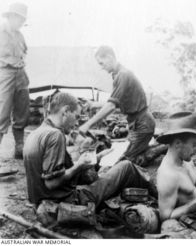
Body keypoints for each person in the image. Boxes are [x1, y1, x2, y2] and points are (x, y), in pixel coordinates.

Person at [24, 92, 153, 208]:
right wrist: (79, 166)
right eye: (76, 116)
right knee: (126, 167)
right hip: (67, 202)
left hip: (44, 202)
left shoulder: (35, 133)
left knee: (109, 171)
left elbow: (50, 175)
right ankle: (159, 192)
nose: (76, 123)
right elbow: (51, 183)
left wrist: (96, 158)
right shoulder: (55, 135)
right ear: (66, 111)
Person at [79, 46, 155, 163]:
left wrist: (87, 125)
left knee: (124, 161)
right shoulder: (119, 74)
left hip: (142, 125)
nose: (101, 67)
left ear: (109, 57)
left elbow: (111, 106)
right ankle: (153, 149)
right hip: (138, 124)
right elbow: (117, 102)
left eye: (101, 63)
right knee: (133, 153)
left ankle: (161, 148)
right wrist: (94, 104)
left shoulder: (123, 75)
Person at [0, 2, 29, 159]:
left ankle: (19, 147)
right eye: (20, 19)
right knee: (2, 113)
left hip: (21, 75)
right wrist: (10, 61)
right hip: (4, 74)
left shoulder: (20, 35)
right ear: (12, 17)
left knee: (22, 110)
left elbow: (24, 51)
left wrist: (21, 61)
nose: (22, 23)